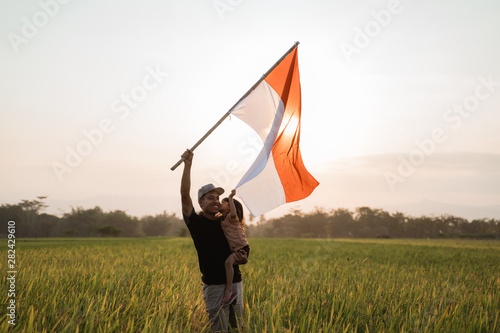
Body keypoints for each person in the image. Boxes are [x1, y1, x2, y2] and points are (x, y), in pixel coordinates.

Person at [180, 149, 245, 332]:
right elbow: (185, 196)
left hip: (235, 283)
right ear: (200, 202)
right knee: (219, 329)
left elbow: (239, 241)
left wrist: (241, 255)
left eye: (217, 198)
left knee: (236, 328)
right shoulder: (196, 223)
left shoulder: (224, 222)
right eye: (210, 198)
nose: (216, 201)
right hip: (215, 287)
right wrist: (188, 165)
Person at [219, 190, 250, 305]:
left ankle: (229, 290)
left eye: (223, 202)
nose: (220, 203)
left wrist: (230, 197)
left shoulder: (232, 218)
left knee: (228, 263)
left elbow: (233, 212)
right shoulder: (222, 219)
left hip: (242, 248)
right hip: (237, 249)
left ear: (230, 207)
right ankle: (229, 289)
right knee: (228, 263)